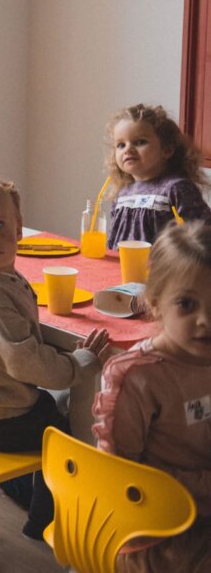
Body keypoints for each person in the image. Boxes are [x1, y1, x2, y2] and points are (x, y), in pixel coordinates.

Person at [0, 166, 110, 539]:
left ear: (18, 226)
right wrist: (77, 365)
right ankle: (42, 524)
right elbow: (26, 362)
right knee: (63, 437)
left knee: (46, 404)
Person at [92, 221, 211, 572]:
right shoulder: (136, 376)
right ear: (156, 304)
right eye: (187, 304)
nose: (206, 320)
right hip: (153, 531)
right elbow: (123, 479)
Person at [105, 103, 210, 250]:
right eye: (121, 145)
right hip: (122, 270)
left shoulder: (176, 188)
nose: (128, 149)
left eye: (140, 142)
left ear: (167, 150)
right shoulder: (123, 194)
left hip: (164, 271)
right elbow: (113, 240)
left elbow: (203, 236)